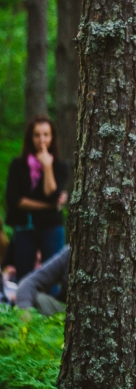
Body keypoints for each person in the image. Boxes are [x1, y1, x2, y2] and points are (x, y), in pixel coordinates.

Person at [5, 116, 69, 282]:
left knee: (52, 277)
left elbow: (52, 194)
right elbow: (14, 200)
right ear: (30, 137)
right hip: (24, 227)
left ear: (52, 137)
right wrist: (49, 206)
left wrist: (47, 166)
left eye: (46, 135)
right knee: (24, 277)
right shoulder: (18, 165)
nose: (41, 139)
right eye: (37, 135)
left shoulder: (60, 167)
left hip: (51, 228)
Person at [15, 245, 69, 316]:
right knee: (36, 298)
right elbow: (28, 283)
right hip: (64, 314)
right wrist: (25, 313)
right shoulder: (71, 252)